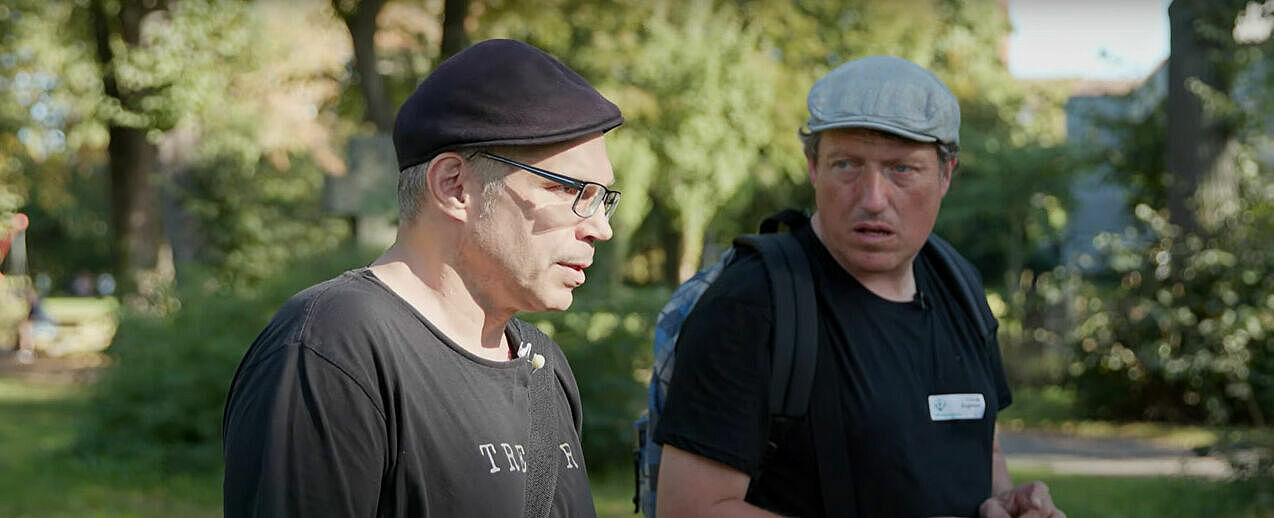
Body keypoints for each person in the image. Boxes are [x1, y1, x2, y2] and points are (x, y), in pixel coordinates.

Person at [222, 39, 624, 517]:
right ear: (454, 185)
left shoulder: (543, 366)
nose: (601, 227)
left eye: (603, 197)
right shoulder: (333, 349)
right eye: (569, 189)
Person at [653, 56, 1065, 518]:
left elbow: (980, 448)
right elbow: (690, 508)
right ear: (813, 167)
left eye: (901, 169)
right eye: (846, 165)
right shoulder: (754, 303)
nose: (872, 199)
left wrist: (1004, 504)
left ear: (946, 173)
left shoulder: (959, 283)